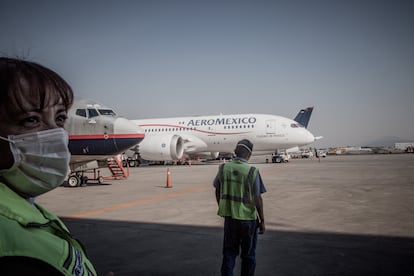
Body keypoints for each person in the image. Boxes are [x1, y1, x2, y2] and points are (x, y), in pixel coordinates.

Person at [0, 57, 97, 275]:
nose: (56, 134)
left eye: (60, 118)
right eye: (31, 120)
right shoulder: (10, 250)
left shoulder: (28, 210)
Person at [213, 139, 266, 276]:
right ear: (249, 155)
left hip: (230, 219)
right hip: (248, 220)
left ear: (235, 152)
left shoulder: (224, 168)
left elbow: (217, 190)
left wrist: (223, 207)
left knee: (229, 253)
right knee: (248, 256)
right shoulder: (252, 171)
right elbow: (257, 198)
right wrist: (262, 220)